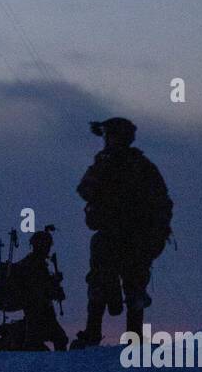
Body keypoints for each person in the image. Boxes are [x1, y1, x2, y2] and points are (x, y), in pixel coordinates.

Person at [71, 117, 173, 349]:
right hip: (122, 236)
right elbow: (85, 189)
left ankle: (103, 335)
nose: (106, 140)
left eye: (109, 135)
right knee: (116, 284)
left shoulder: (132, 166)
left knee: (124, 285)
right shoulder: (133, 165)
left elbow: (161, 202)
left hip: (129, 237)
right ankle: (112, 335)